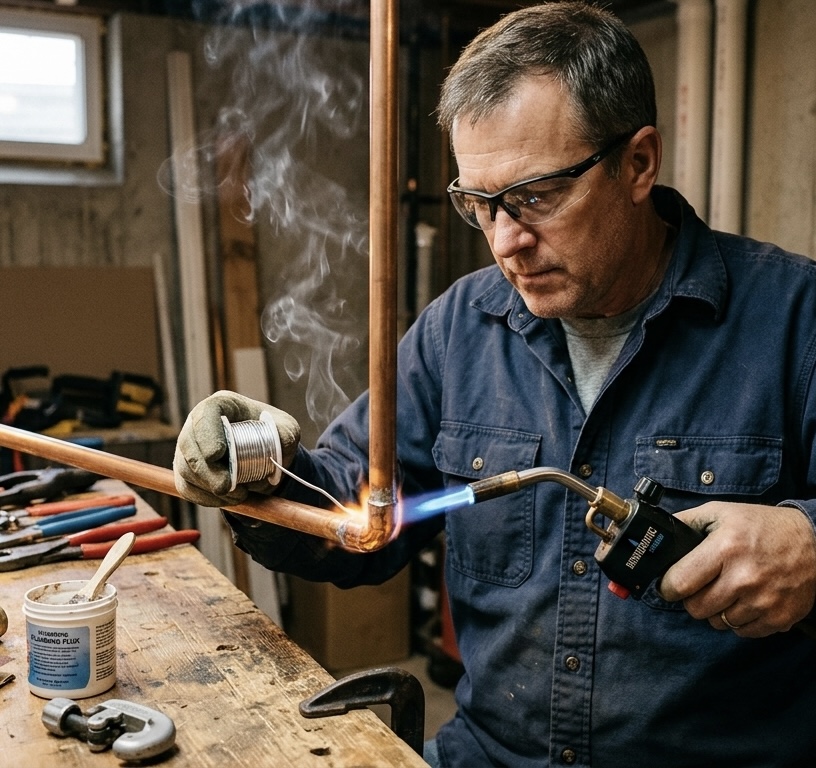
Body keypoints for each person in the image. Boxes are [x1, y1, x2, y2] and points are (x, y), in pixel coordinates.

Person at [174, 2, 816, 766]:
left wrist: (811, 545)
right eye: (479, 204)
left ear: (639, 163)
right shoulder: (459, 329)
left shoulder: (794, 319)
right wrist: (255, 470)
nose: (505, 241)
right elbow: (357, 512)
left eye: (535, 196)